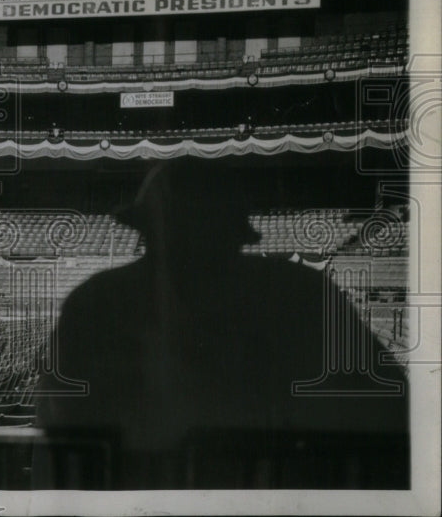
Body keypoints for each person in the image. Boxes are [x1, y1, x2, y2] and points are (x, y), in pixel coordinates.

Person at [35, 158, 408, 489]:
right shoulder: (298, 292)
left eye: (202, 239)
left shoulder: (96, 301)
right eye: (180, 238)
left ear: (145, 231)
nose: (191, 259)